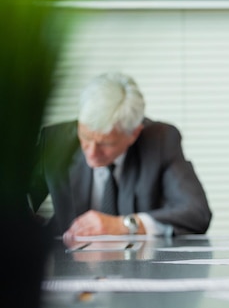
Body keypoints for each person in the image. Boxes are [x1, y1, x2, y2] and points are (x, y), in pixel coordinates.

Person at [29, 72, 212, 239]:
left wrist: (124, 225)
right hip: (65, 267)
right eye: (85, 137)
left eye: (106, 144)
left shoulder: (160, 141)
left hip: (139, 267)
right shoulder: (55, 142)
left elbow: (197, 213)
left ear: (134, 134)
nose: (91, 152)